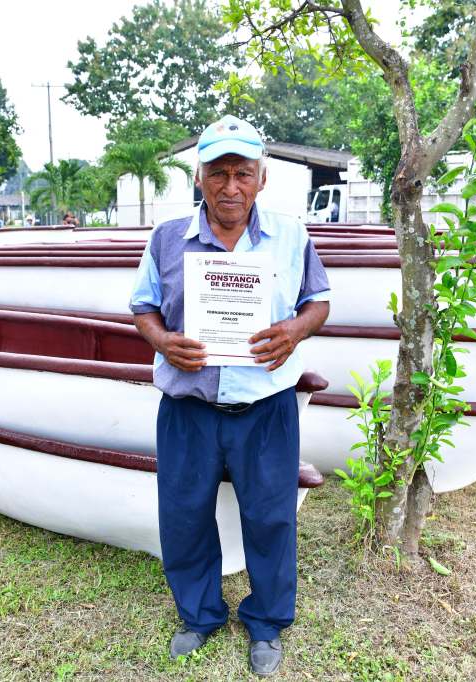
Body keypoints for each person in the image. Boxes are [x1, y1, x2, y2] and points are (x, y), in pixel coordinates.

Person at [129, 114, 331, 676]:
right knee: (185, 515)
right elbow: (142, 307)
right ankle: (200, 616)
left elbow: (319, 301)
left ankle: (266, 622)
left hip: (265, 407)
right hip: (188, 409)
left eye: (243, 173)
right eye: (218, 173)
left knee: (270, 518)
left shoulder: (291, 235)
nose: (231, 187)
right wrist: (164, 341)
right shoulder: (168, 238)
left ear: (262, 178)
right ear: (199, 177)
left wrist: (295, 330)